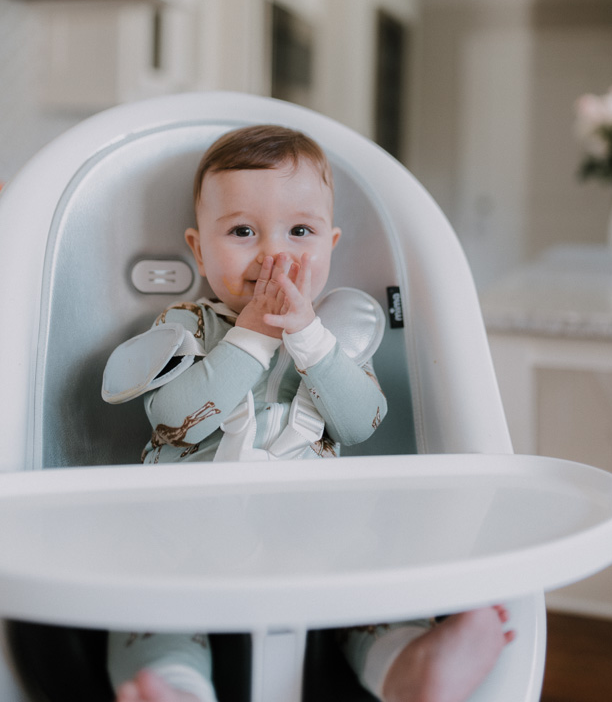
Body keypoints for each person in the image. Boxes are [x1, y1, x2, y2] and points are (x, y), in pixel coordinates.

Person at [102, 125, 514, 702]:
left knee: (370, 592)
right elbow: (172, 418)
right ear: (199, 249)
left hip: (314, 534)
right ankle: (175, 686)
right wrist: (247, 337)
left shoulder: (337, 339)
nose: (274, 254)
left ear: (330, 244)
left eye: (300, 231)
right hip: (186, 532)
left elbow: (361, 421)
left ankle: (411, 665)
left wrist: (312, 342)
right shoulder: (188, 325)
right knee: (147, 603)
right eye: (243, 231)